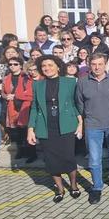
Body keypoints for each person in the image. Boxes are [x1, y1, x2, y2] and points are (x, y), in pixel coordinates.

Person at [27, 55, 83, 203]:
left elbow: (75, 103)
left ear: (58, 66)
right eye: (44, 66)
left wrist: (80, 121)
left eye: (50, 65)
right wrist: (30, 129)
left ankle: (73, 184)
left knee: (68, 157)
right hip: (45, 127)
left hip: (66, 125)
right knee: (51, 160)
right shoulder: (37, 85)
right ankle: (59, 189)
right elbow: (34, 108)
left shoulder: (70, 82)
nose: (47, 68)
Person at [75, 53, 109, 204]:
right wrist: (82, 124)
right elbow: (79, 104)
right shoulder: (82, 82)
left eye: (100, 64)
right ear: (89, 65)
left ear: (105, 64)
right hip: (92, 126)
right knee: (94, 160)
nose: (97, 67)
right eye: (94, 64)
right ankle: (97, 187)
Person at [1, 57, 35, 162]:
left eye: (15, 64)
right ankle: (20, 151)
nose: (12, 66)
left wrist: (15, 96)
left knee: (26, 130)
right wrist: (6, 96)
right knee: (16, 131)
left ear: (20, 65)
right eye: (10, 64)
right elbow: (2, 92)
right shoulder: (6, 78)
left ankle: (31, 153)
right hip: (11, 107)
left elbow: (30, 91)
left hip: (24, 106)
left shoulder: (26, 76)